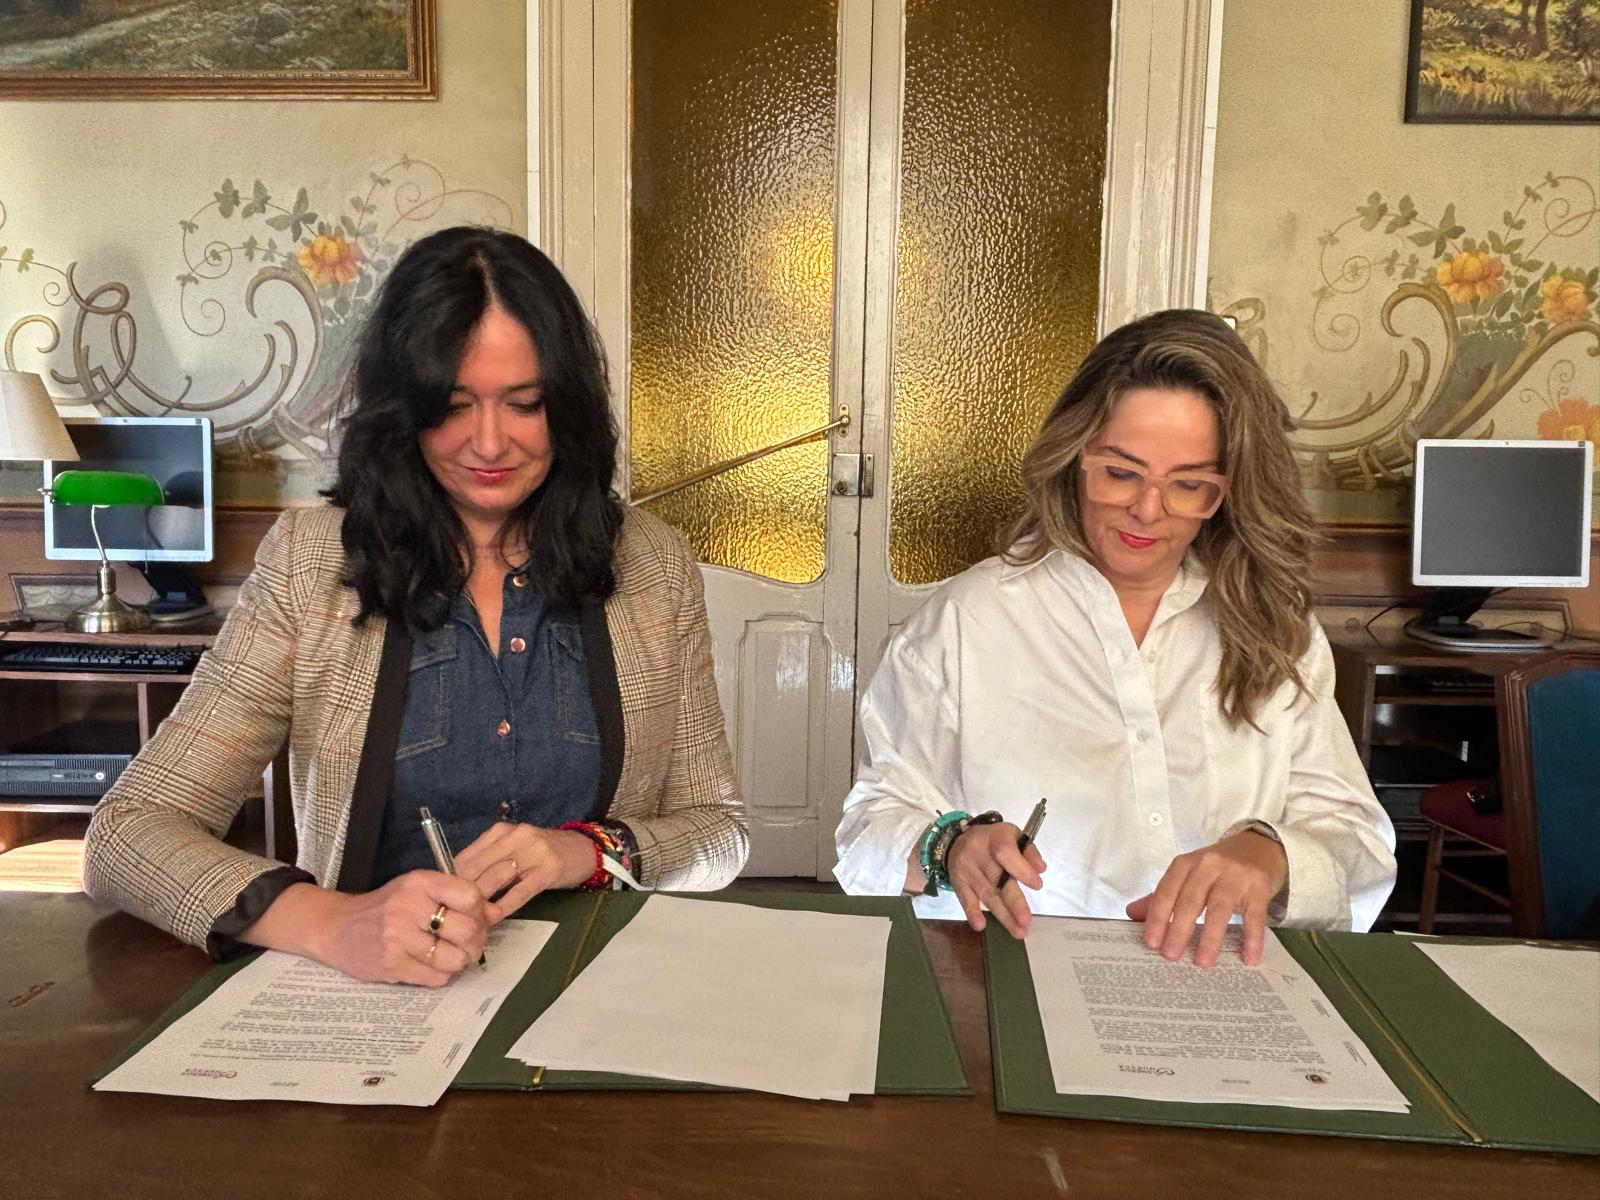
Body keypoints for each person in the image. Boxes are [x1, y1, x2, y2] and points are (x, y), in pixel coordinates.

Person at [84, 227, 747, 985]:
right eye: (453, 405)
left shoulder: (653, 565)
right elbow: (126, 836)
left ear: (567, 408)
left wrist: (591, 851)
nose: (490, 443)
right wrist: (333, 923)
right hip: (377, 998)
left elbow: (718, 833)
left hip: (594, 990)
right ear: (404, 411)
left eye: (525, 404)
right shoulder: (312, 563)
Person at [834, 309, 1395, 968]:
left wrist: (1268, 855)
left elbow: (1358, 842)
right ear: (1074, 457)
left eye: (1190, 485)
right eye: (1121, 473)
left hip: (1223, 990)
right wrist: (950, 848)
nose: (1148, 510)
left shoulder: (1274, 629)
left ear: (1231, 489)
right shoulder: (970, 618)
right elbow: (865, 834)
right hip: (1014, 981)